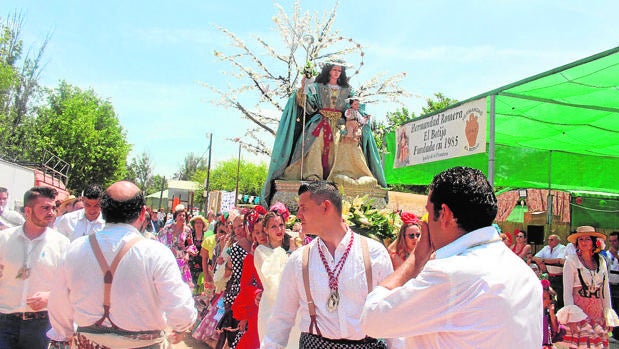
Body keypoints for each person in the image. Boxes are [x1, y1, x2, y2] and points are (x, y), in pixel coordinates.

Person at [360, 166, 543, 348]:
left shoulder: (450, 274)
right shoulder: (523, 272)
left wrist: (415, 261)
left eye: (428, 214)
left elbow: (372, 319)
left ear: (445, 214)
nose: (426, 224)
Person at [47, 180, 197, 348]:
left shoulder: (74, 249)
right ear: (142, 213)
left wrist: (67, 333)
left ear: (103, 211)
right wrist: (182, 326)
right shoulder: (156, 253)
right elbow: (181, 312)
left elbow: (57, 303)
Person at [262, 181, 396, 349]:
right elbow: (280, 320)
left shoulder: (374, 253)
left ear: (325, 207)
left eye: (304, 207)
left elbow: (392, 316)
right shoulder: (298, 260)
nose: (299, 215)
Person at [261, 61, 386, 205]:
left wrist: (357, 118)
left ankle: (343, 175)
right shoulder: (317, 87)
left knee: (343, 142)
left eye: (339, 70)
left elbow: (356, 107)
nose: (337, 72)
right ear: (328, 71)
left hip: (340, 124)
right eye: (334, 69)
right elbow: (308, 107)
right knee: (316, 140)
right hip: (319, 122)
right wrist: (304, 89)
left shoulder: (348, 90)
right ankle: (312, 175)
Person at [0, 187, 69, 349]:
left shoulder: (61, 243)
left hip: (40, 324)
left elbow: (70, 283)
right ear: (28, 211)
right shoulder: (4, 239)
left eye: (53, 208)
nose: (51, 212)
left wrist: (51, 296)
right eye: (45, 208)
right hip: (4, 322)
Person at [562, 225, 619, 348]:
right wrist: (572, 317)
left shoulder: (601, 261)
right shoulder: (571, 261)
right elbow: (567, 292)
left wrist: (607, 314)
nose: (583, 242)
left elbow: (605, 290)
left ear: (594, 242)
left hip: (597, 311)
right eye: (580, 239)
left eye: (587, 239)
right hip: (580, 312)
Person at [254, 210, 300, 347]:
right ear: (266, 230)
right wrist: (292, 252)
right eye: (273, 226)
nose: (279, 229)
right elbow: (277, 280)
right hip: (271, 310)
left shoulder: (294, 248)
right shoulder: (261, 251)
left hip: (294, 311)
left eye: (281, 225)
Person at [232, 206, 268, 349]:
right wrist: (256, 293)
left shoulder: (282, 252)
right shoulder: (251, 258)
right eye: (257, 232)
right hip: (259, 308)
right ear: (253, 235)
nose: (261, 235)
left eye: (264, 231)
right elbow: (245, 285)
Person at [158, 205, 197, 290]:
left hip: (181, 260)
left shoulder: (187, 230)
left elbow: (191, 245)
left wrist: (187, 254)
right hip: (169, 258)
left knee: (182, 286)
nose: (182, 217)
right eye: (179, 215)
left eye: (183, 216)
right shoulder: (168, 228)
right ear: (176, 217)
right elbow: (159, 237)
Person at [532, 234, 567, 308]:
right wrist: (540, 262)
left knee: (560, 299)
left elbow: (558, 260)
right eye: (548, 240)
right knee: (549, 298)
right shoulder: (546, 248)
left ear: (558, 240)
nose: (549, 241)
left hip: (560, 277)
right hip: (549, 276)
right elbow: (535, 257)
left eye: (552, 240)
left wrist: (543, 260)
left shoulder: (562, 248)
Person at [541, 279, 561, 348]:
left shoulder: (549, 314)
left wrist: (552, 314)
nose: (541, 300)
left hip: (547, 345)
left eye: (544, 298)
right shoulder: (533, 313)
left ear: (550, 300)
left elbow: (555, 330)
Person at [607, 231, 619, 342]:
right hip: (611, 284)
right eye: (610, 241)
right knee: (614, 309)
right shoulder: (608, 253)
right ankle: (615, 334)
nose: (612, 243)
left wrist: (616, 255)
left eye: (614, 241)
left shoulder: (614, 253)